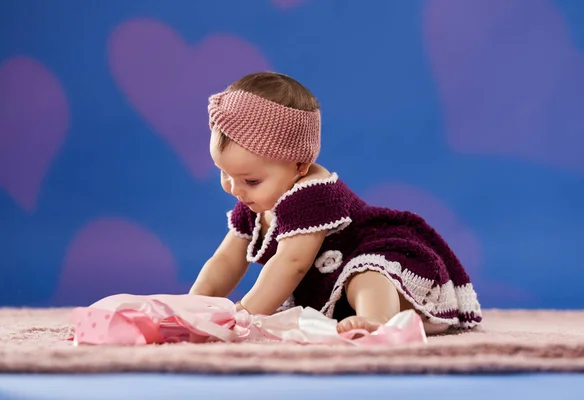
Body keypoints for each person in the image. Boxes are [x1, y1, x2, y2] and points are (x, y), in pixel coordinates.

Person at [189, 72, 482, 334]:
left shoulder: (314, 195)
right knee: (351, 282)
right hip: (335, 291)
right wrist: (192, 307)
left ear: (300, 166)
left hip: (392, 269)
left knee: (368, 274)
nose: (233, 188)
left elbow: (291, 263)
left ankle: (377, 321)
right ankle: (361, 317)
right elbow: (225, 261)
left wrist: (244, 314)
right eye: (224, 173)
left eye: (250, 180)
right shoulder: (255, 199)